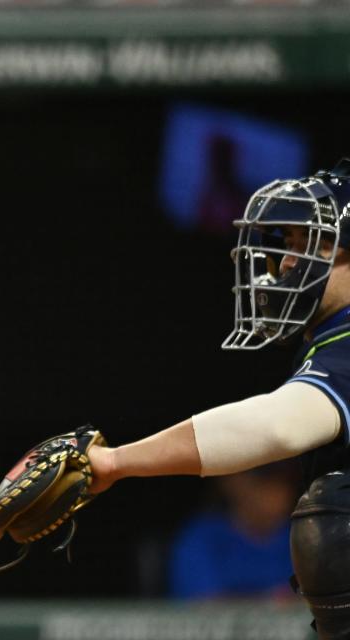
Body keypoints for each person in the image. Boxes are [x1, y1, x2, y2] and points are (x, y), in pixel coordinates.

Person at [87, 159, 350, 638]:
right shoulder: (330, 338)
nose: (289, 263)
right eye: (290, 245)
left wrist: (115, 462)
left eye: (313, 244)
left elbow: (280, 427)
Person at [167, 463, 298, 600]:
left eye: (284, 479)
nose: (277, 489)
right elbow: (201, 607)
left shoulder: (305, 538)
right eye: (265, 477)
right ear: (232, 479)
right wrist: (271, 600)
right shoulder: (201, 540)